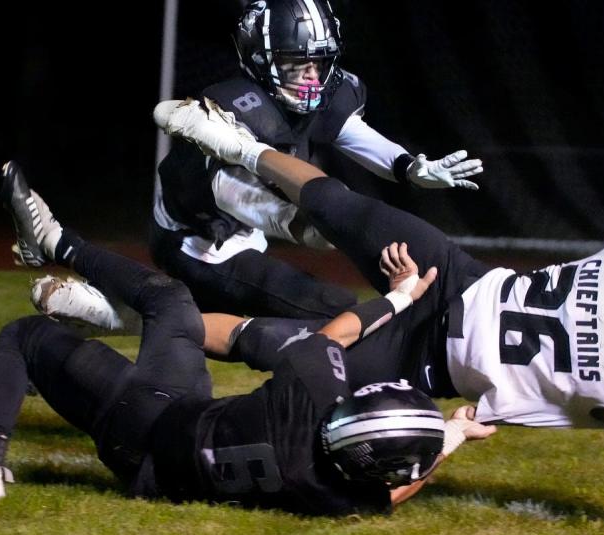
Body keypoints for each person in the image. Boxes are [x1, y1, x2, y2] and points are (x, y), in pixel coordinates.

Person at [144, 95, 604, 535]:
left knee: (282, 348)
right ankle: (235, 144)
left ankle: (134, 316)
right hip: (453, 278)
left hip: (424, 367)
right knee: (343, 207)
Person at [0, 161, 495, 513]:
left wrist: (401, 296)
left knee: (75, 324)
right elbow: (397, 489)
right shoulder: (341, 494)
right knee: (152, 335)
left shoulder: (309, 393)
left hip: (152, 414)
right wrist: (453, 435)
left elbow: (339, 332)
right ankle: (93, 315)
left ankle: (58, 242)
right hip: (152, 471)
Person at [152, 0, 483, 320]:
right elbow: (235, 194)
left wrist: (409, 166)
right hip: (198, 243)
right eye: (296, 63)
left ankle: (194, 319)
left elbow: (351, 131)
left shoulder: (311, 99)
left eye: (319, 63)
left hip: (244, 235)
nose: (312, 76)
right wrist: (317, 226)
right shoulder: (231, 111)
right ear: (258, 59)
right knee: (331, 308)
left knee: (240, 322)